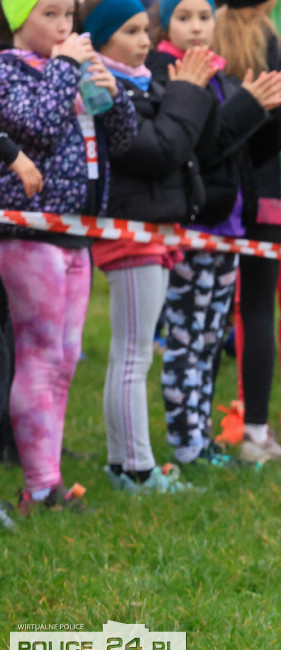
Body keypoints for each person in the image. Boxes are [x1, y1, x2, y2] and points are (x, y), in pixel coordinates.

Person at [0, 0, 137, 513]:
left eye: (68, 16)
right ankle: (39, 485)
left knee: (64, 360)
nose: (63, 27)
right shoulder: (8, 70)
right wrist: (63, 67)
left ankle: (48, 478)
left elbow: (124, 140)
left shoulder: (69, 67)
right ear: (18, 20)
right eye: (50, 15)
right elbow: (36, 127)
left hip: (76, 233)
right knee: (39, 357)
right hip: (30, 232)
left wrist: (112, 93)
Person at [150, 0, 281, 468]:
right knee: (186, 340)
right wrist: (247, 106)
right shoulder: (167, 73)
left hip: (228, 227)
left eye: (204, 17)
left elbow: (241, 154)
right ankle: (186, 443)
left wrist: (266, 113)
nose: (196, 27)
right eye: (183, 17)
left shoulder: (219, 73)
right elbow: (201, 148)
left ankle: (202, 437)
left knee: (211, 339)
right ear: (164, 26)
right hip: (193, 229)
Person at [85, 0, 216, 493]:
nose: (144, 41)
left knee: (130, 354)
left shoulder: (138, 82)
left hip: (146, 229)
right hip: (131, 232)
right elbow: (157, 151)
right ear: (102, 40)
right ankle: (138, 469)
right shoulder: (105, 87)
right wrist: (186, 93)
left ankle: (124, 464)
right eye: (130, 31)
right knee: (133, 357)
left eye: (146, 29)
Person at [214, 0, 281, 464]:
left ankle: (192, 430)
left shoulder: (204, 35)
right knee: (256, 309)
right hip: (266, 197)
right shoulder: (278, 48)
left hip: (209, 196)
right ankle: (255, 427)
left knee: (205, 312)